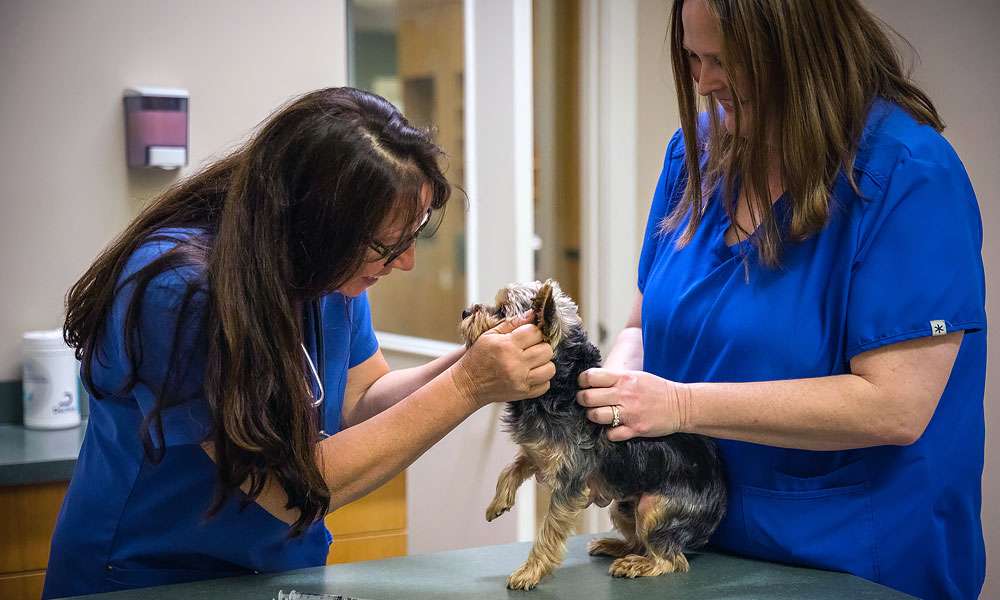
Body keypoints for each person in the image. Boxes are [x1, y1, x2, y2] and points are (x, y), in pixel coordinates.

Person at [43, 87, 556, 598]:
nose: (405, 263)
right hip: (148, 577)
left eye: (412, 235)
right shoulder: (181, 288)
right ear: (313, 223)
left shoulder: (330, 272)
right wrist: (469, 385)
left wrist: (474, 360)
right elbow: (291, 488)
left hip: (274, 570)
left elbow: (361, 397)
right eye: (387, 245)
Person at [575, 1, 986, 598]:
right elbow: (646, 323)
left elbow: (894, 406)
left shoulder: (908, 174)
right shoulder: (699, 154)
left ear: (798, 50)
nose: (703, 81)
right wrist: (618, 396)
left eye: (725, 61)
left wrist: (681, 407)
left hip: (854, 559)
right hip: (696, 549)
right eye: (693, 57)